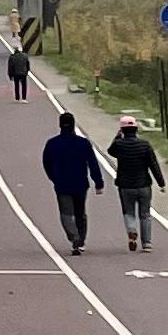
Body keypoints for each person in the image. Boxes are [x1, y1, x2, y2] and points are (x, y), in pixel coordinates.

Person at [39, 108, 104, 255]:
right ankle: (81, 240)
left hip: (62, 184)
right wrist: (98, 183)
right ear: (74, 125)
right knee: (80, 213)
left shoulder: (52, 143)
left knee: (66, 213)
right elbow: (93, 163)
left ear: (60, 125)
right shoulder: (83, 143)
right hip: (81, 183)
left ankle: (73, 237)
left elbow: (46, 163)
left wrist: (54, 178)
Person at [110, 114, 166, 254]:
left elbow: (111, 151)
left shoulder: (119, 145)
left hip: (125, 186)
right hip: (144, 185)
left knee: (129, 212)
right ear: (136, 129)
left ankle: (132, 230)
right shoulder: (145, 145)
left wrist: (118, 136)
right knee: (145, 214)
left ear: (122, 130)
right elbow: (153, 164)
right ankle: (147, 243)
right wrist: (161, 183)